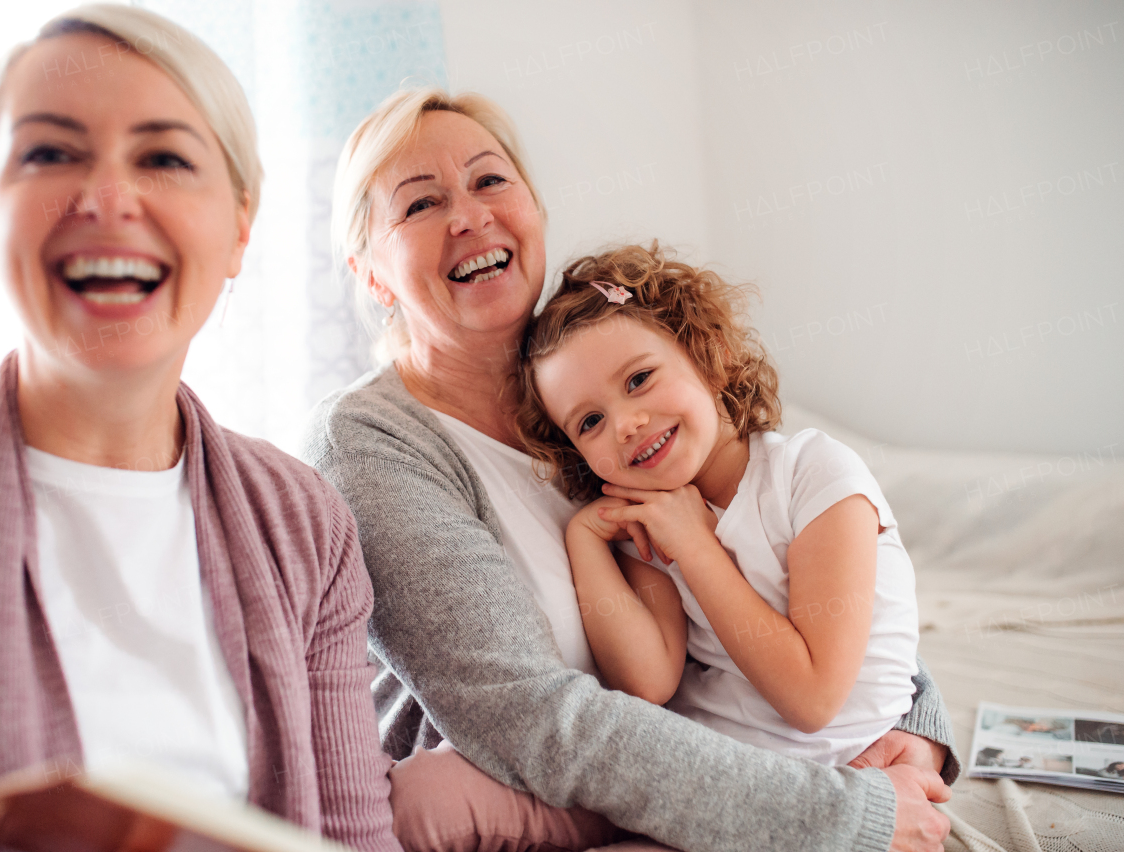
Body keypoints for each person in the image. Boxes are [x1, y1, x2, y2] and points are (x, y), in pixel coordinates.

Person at [303, 86, 957, 852]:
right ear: (370, 272)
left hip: (693, 765)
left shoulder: (596, 398)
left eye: (490, 180)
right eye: (418, 205)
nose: (469, 215)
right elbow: (533, 721)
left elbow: (815, 575)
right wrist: (844, 813)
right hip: (502, 786)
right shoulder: (372, 445)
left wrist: (913, 726)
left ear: (535, 209)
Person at [0, 6, 397, 850]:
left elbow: (358, 838)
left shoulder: (305, 520)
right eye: (48, 152)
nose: (108, 199)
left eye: (164, 158)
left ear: (239, 226)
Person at [514, 242, 920, 767]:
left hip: (830, 775)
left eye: (639, 380)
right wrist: (585, 539)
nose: (624, 425)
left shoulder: (814, 475)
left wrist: (695, 544)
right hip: (715, 771)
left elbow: (813, 699)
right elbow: (648, 681)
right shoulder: (648, 520)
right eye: (589, 422)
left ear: (710, 355)